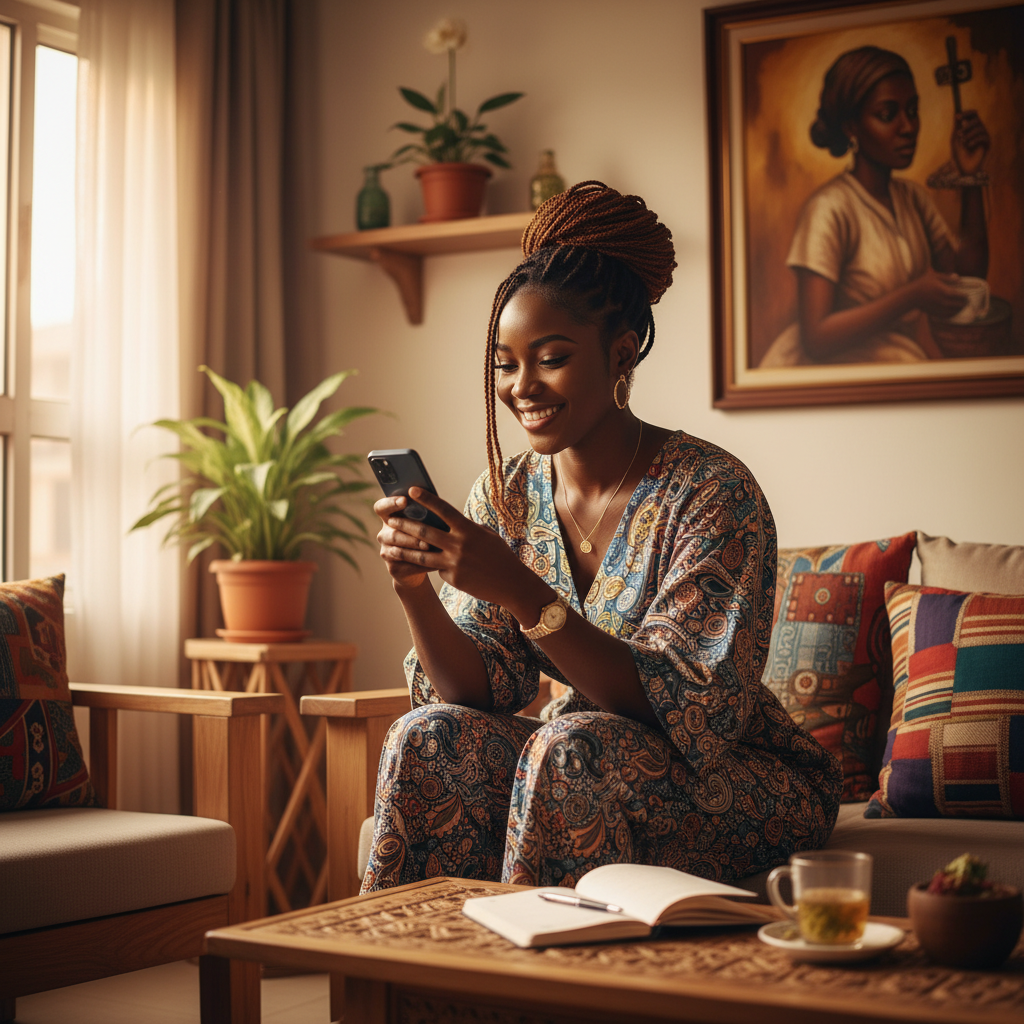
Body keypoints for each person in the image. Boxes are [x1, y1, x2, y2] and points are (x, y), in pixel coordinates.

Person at [362, 182, 841, 893]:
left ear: (621, 355)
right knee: (429, 737)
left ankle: (544, 999)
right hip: (589, 756)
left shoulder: (713, 493)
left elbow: (682, 710)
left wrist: (519, 589)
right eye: (505, 362)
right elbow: (476, 690)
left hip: (744, 780)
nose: (521, 385)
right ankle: (412, 991)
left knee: (567, 746)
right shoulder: (507, 495)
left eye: (550, 357)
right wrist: (415, 591)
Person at [760, 45, 990, 366]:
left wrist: (971, 176)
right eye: (887, 115)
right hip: (830, 371)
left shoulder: (912, 198)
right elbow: (816, 338)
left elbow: (967, 279)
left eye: (912, 110)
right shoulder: (829, 208)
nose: (908, 127)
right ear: (851, 127)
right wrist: (912, 295)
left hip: (894, 361)